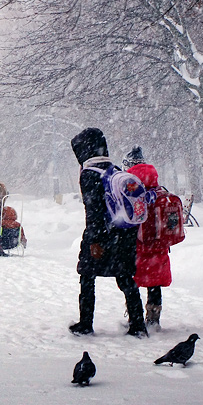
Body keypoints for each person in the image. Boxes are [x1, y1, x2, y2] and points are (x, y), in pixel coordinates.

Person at [69, 128, 148, 337]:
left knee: (87, 277)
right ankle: (138, 325)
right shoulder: (112, 169)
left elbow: (93, 210)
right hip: (124, 234)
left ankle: (85, 323)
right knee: (125, 278)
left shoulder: (89, 174)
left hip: (102, 235)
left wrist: (94, 241)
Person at [123, 146, 171, 330]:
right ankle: (153, 318)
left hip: (136, 245)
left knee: (131, 281)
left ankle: (133, 316)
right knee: (155, 282)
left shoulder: (130, 186)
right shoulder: (157, 186)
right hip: (159, 244)